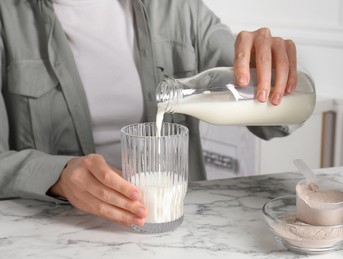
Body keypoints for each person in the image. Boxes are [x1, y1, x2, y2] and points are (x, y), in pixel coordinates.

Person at [0, 0, 298, 227]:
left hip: (175, 228)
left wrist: (272, 72)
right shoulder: (7, 17)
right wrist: (60, 176)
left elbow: (272, 116)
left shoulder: (178, 9)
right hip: (55, 230)